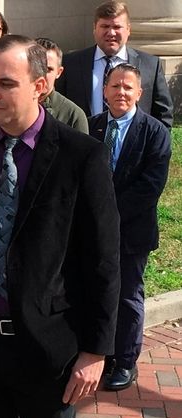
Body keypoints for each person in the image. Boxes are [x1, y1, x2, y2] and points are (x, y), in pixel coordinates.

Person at [0, 35, 120, 418]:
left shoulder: (82, 156)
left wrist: (95, 350)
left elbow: (103, 259)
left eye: (6, 83)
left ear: (40, 85)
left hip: (50, 349)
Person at [88, 63, 171, 391]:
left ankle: (125, 361)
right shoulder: (91, 128)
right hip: (92, 230)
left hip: (131, 233)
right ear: (104, 90)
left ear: (139, 93)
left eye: (127, 87)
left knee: (126, 297)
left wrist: (108, 215)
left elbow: (151, 186)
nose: (120, 92)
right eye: (114, 86)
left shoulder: (154, 133)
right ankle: (101, 354)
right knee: (96, 292)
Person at [56, 1, 173, 128]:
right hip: (84, 144)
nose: (111, 33)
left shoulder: (150, 65)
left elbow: (163, 115)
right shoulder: (71, 63)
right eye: (105, 26)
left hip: (134, 145)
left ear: (128, 30)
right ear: (94, 28)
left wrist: (156, 144)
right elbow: (59, 110)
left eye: (117, 27)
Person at [34, 37, 89, 133]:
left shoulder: (73, 115)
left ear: (59, 72)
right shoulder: (10, 105)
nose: (42, 74)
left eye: (48, 69)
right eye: (37, 67)